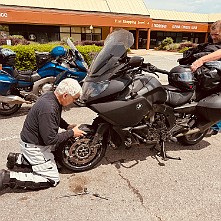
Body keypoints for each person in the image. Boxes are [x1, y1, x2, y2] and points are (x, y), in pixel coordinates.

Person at [0, 78, 86, 191]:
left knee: (56, 153)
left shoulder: (51, 96)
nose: (74, 101)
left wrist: (67, 126)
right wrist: (71, 133)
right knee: (52, 178)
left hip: (31, 141)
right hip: (34, 146)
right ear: (65, 95)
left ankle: (17, 159)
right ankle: (6, 178)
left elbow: (56, 118)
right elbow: (50, 140)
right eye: (74, 98)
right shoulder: (49, 108)